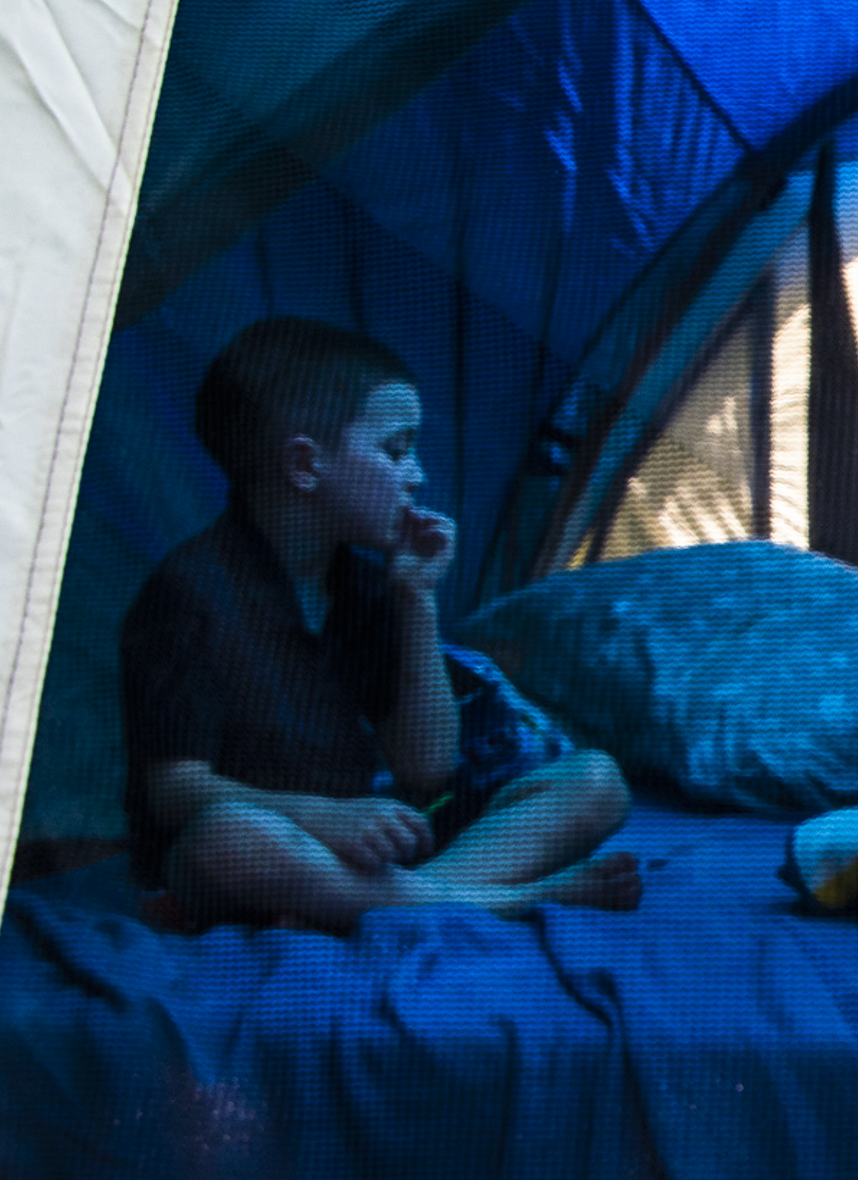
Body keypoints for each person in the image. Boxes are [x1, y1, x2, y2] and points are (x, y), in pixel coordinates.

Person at [121, 316, 637, 927]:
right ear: (305, 466)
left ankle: (391, 901)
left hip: (357, 844)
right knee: (230, 837)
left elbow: (426, 767)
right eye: (395, 450)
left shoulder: (361, 584)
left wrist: (416, 600)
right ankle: (508, 898)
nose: (416, 474)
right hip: (260, 846)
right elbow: (174, 791)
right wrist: (322, 816)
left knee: (597, 781)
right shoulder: (189, 595)